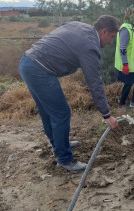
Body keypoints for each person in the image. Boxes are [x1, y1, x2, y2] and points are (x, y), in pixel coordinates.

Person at [19, 15, 119, 172]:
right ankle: (65, 160)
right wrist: (106, 114)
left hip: (28, 62)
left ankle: (59, 144)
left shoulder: (80, 26)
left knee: (48, 112)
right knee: (61, 113)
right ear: (104, 31)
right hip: (39, 69)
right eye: (112, 37)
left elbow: (64, 29)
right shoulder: (90, 46)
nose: (111, 42)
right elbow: (94, 82)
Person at [114, 7, 134, 110]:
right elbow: (122, 47)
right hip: (127, 63)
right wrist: (124, 64)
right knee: (128, 83)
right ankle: (122, 104)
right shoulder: (125, 29)